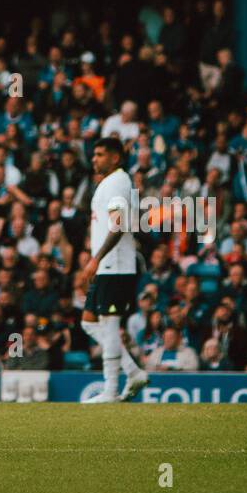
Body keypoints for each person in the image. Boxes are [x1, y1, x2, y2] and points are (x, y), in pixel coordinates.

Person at [80, 136, 148, 402]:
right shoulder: (109, 182)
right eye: (94, 154)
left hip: (115, 265)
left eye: (100, 154)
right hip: (108, 265)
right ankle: (132, 371)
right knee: (88, 322)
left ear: (115, 158)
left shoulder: (118, 181)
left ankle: (110, 390)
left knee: (109, 325)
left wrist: (96, 258)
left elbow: (118, 224)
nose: (94, 159)